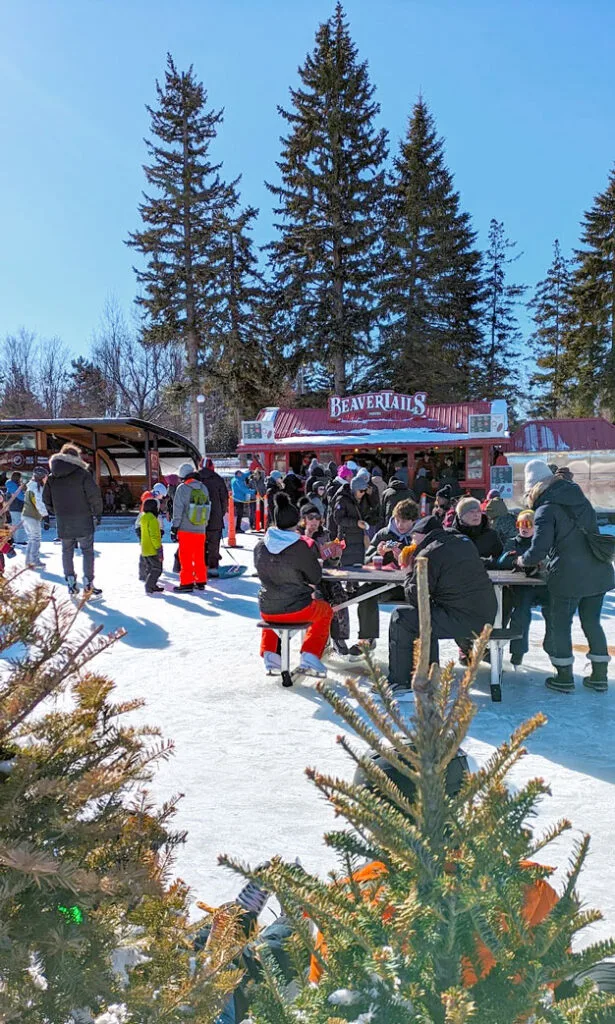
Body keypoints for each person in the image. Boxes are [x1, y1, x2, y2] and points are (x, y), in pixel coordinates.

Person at [518, 459, 614, 694]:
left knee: (561, 624)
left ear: (535, 487)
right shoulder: (580, 499)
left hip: (568, 576)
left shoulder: (545, 510)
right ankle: (600, 676)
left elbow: (538, 549)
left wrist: (521, 560)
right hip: (597, 571)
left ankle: (564, 678)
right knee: (592, 622)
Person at [388, 516, 497, 691]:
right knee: (427, 615)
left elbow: (416, 598)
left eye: (414, 538)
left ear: (424, 535)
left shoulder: (429, 553)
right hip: (485, 615)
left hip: (463, 619)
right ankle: (430, 673)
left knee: (401, 618)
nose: (412, 542)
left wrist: (408, 572)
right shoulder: (463, 542)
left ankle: (401, 683)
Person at [254, 492, 333, 677]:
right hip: (297, 608)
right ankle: (310, 654)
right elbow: (314, 577)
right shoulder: (301, 546)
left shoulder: (260, 546)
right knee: (325, 610)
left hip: (266, 607)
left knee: (273, 605)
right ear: (296, 523)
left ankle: (270, 655)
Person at [342, 499, 419, 661]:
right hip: (386, 585)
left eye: (404, 521)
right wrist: (379, 554)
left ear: (413, 521)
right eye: (397, 520)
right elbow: (367, 559)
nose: (400, 525)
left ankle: (420, 642)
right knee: (365, 592)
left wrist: (405, 557)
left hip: (412, 584)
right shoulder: (385, 534)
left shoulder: (419, 535)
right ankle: (367, 639)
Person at [42, 444, 103, 599]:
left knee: (66, 551)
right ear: (76, 458)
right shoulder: (82, 474)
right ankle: (88, 583)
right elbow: (94, 496)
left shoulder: (52, 477)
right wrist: (97, 513)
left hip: (64, 521)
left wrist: (56, 511)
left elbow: (45, 499)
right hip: (83, 519)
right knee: (87, 551)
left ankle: (70, 581)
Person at [498, 509, 548, 667]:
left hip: (539, 586)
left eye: (528, 524)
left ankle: (520, 652)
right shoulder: (513, 542)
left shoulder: (541, 543)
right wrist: (514, 562)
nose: (523, 528)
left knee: (529, 614)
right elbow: (502, 561)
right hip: (517, 586)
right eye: (520, 524)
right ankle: (510, 651)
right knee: (517, 614)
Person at [298, 502, 350, 657]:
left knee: (340, 597)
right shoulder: (296, 534)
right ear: (304, 519)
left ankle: (339, 638)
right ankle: (318, 640)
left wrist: (335, 556)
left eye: (317, 518)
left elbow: (332, 564)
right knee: (320, 601)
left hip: (325, 576)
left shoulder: (325, 534)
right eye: (310, 517)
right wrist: (307, 537)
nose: (314, 521)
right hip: (305, 579)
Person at [171, 462, 210, 593]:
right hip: (201, 529)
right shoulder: (203, 487)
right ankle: (200, 580)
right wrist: (204, 524)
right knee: (199, 556)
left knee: (186, 557)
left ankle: (187, 583)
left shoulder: (182, 488)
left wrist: (174, 527)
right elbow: (207, 508)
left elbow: (178, 510)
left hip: (185, 529)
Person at [449, 496, 503, 566]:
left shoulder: (492, 535)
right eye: (471, 512)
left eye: (478, 511)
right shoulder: (452, 536)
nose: (476, 515)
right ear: (461, 516)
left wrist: (484, 562)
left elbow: (500, 560)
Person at [331, 476, 369, 566]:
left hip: (359, 538)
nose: (363, 493)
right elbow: (338, 519)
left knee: (359, 567)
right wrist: (356, 523)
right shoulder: (342, 499)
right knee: (347, 568)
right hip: (346, 537)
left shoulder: (361, 499)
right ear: (354, 490)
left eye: (364, 491)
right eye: (361, 491)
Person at [198, 459, 229, 575]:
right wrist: (220, 513)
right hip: (215, 517)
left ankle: (201, 567)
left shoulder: (195, 478)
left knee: (200, 543)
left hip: (197, 518)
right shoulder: (218, 479)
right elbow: (224, 499)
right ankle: (212, 567)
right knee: (213, 544)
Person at [22, 467, 49, 569]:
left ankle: (29, 561)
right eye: (46, 476)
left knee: (32, 539)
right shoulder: (36, 488)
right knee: (36, 539)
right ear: (41, 476)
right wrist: (45, 515)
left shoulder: (32, 486)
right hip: (32, 516)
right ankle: (34, 561)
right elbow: (39, 503)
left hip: (27, 515)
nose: (47, 478)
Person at [140, 497, 164, 594]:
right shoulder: (153, 519)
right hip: (152, 549)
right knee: (157, 569)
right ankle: (149, 585)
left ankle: (152, 585)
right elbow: (154, 536)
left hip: (145, 548)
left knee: (150, 568)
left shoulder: (143, 518)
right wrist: (158, 547)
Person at [5, 472, 24, 544]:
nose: (21, 479)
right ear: (17, 478)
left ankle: (14, 539)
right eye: (20, 477)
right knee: (17, 523)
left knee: (15, 523)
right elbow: (20, 496)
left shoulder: (12, 485)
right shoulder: (13, 486)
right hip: (16, 507)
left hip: (14, 507)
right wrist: (27, 498)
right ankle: (18, 540)